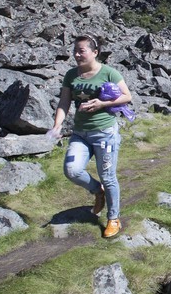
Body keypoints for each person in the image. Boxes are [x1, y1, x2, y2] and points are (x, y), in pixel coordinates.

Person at [48, 34, 133, 238]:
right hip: (80, 133)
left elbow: (127, 96)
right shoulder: (71, 75)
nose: (77, 55)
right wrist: (57, 125)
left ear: (95, 52)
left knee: (108, 176)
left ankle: (114, 219)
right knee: (72, 170)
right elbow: (64, 102)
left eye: (81, 51)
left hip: (105, 134)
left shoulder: (109, 72)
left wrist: (102, 104)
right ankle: (98, 191)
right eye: (75, 51)